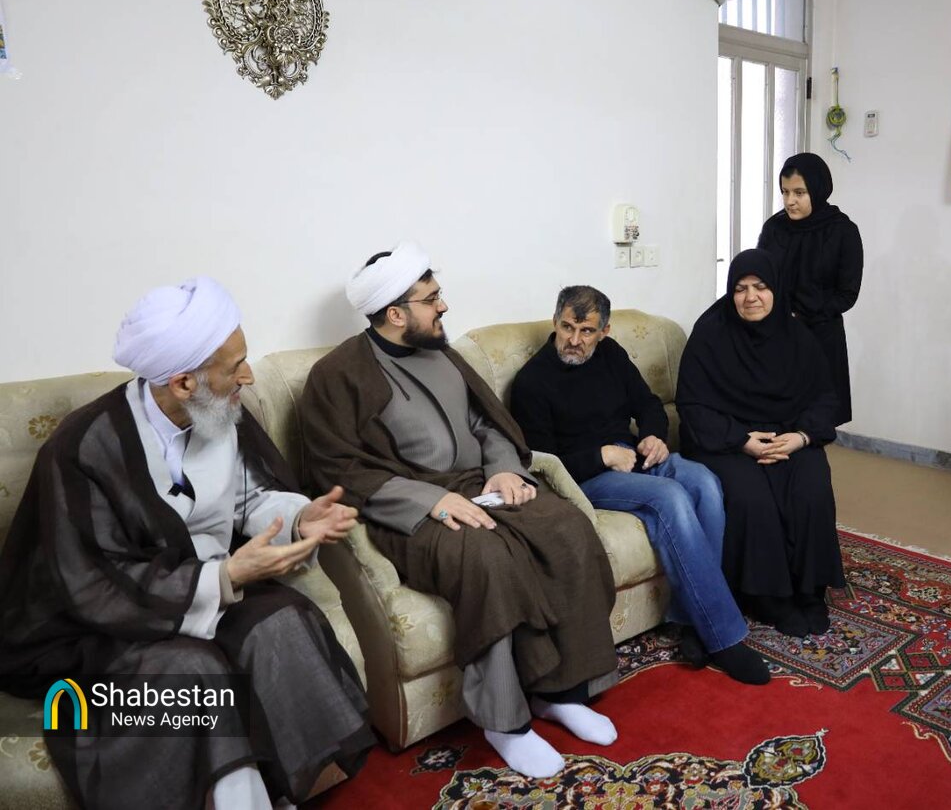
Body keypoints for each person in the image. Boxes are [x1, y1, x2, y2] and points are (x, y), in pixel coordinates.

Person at [0, 277, 374, 810]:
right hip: (100, 626)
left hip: (208, 590)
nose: (248, 376)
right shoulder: (82, 447)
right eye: (234, 366)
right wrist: (225, 577)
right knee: (192, 673)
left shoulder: (218, 411)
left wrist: (298, 516)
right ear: (182, 383)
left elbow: (250, 498)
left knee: (281, 623)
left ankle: (277, 789)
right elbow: (93, 582)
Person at [299, 245, 620, 780]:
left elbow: (487, 423)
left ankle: (561, 692)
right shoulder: (337, 374)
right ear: (395, 313)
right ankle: (505, 723)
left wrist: (503, 470)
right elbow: (338, 469)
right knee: (486, 559)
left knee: (567, 528)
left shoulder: (444, 353)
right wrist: (430, 500)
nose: (442, 306)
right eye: (431, 300)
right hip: (408, 509)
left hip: (481, 484)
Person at [510, 286, 770, 685]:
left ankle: (689, 622)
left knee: (704, 482)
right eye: (566, 327)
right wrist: (602, 456)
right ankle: (724, 638)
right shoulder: (533, 381)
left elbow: (648, 404)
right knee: (671, 497)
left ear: (605, 332)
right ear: (555, 322)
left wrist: (653, 435)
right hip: (585, 477)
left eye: (586, 331)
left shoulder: (611, 355)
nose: (574, 340)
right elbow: (543, 464)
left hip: (633, 455)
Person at [676, 249, 847, 637]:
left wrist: (801, 437)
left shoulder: (798, 336)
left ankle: (810, 591)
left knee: (811, 486)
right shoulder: (711, 334)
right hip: (726, 439)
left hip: (789, 434)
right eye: (740, 288)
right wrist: (741, 440)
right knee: (752, 498)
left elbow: (825, 397)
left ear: (776, 290)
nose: (750, 297)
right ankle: (769, 597)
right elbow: (692, 405)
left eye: (760, 287)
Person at [757, 151, 864, 426]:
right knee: (776, 415)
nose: (789, 201)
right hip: (777, 333)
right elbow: (761, 276)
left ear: (817, 189)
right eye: (785, 192)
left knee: (815, 420)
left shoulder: (843, 231)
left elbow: (847, 293)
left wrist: (804, 314)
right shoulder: (774, 228)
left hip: (821, 336)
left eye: (799, 193)